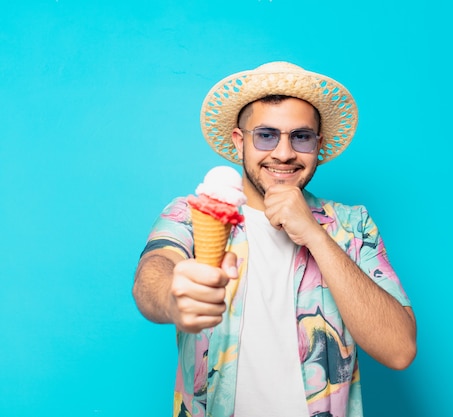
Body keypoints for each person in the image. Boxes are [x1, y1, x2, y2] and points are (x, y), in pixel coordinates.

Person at [133, 61, 417, 417]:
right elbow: (154, 272)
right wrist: (173, 300)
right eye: (266, 135)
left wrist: (315, 234)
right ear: (240, 142)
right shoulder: (192, 213)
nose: (283, 153)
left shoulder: (352, 224)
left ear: (318, 145)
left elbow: (400, 349)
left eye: (301, 136)